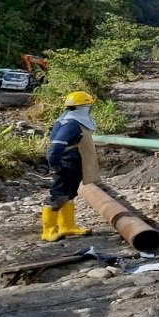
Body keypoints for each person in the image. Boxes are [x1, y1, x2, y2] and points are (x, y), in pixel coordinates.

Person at [42, 91, 100, 242]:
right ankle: (48, 231)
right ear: (84, 107)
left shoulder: (75, 120)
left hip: (74, 162)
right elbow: (56, 146)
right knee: (59, 195)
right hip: (65, 162)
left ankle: (67, 226)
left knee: (69, 194)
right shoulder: (71, 123)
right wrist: (54, 164)